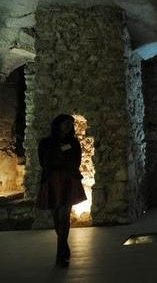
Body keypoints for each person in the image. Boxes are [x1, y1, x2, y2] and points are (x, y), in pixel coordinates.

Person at [36, 114, 87, 267]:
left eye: (70, 124)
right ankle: (64, 246)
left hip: (67, 181)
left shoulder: (73, 142)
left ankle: (60, 255)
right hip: (52, 180)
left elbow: (77, 160)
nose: (68, 126)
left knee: (64, 217)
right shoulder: (46, 142)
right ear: (57, 124)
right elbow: (41, 160)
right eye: (66, 123)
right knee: (56, 218)